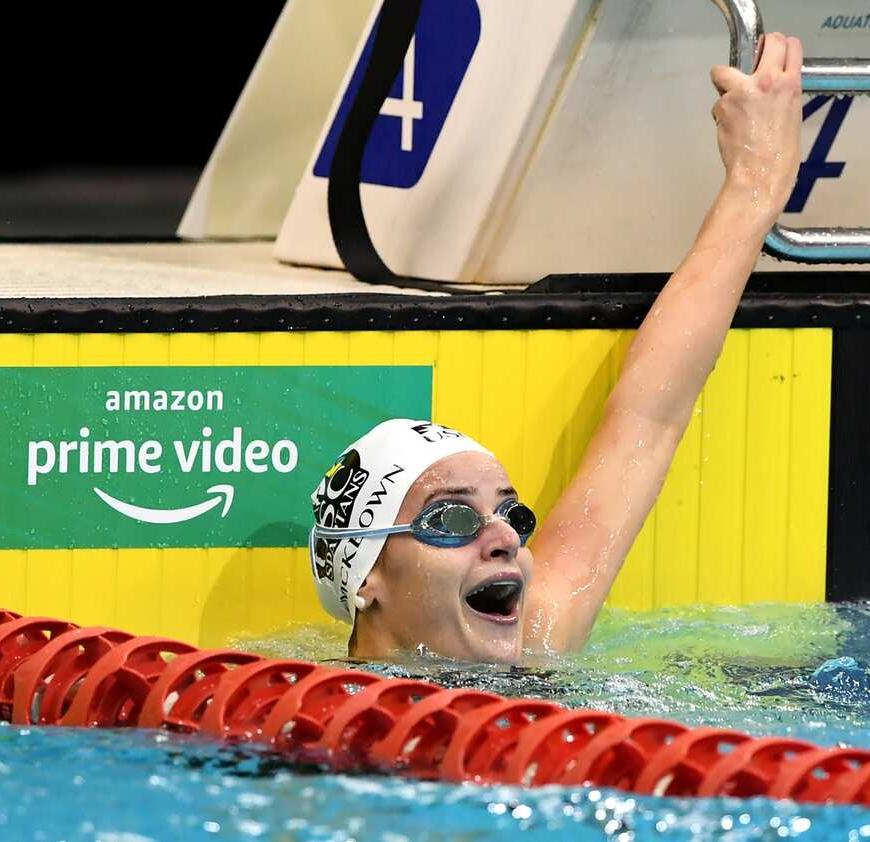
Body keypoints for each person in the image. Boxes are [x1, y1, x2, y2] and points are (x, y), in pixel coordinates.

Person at [310, 32, 805, 664]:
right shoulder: (308, 716)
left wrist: (756, 184)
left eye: (512, 518)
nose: (502, 541)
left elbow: (648, 420)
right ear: (365, 578)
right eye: (451, 520)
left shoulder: (539, 638)